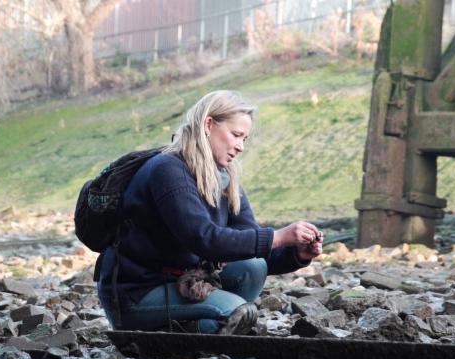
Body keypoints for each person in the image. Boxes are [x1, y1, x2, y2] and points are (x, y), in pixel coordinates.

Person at [96, 90, 324, 334]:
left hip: (189, 284)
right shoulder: (168, 169)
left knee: (253, 267)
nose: (240, 147)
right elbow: (203, 239)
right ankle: (187, 329)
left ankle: (198, 328)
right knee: (238, 311)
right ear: (208, 124)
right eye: (236, 135)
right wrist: (279, 236)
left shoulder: (225, 178)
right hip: (138, 293)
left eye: (244, 139)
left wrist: (296, 254)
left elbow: (254, 244)